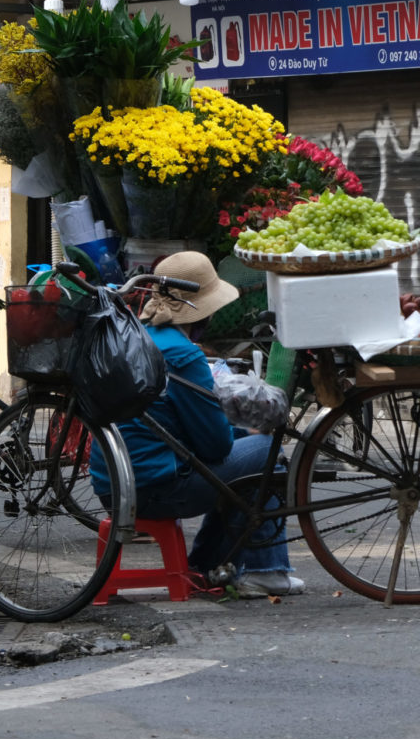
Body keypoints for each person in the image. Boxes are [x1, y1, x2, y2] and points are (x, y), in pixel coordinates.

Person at [88, 251, 304, 598]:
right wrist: (243, 435)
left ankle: (206, 564)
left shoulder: (139, 337)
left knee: (245, 454)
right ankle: (265, 571)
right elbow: (215, 446)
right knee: (266, 451)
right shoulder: (183, 353)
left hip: (113, 483)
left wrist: (237, 435)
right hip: (154, 486)